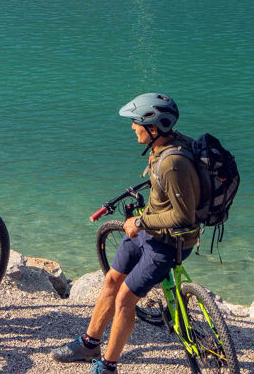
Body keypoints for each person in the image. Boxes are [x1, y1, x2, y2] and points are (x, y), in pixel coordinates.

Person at [52, 93, 201, 373]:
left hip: (169, 242)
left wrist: (141, 223)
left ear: (154, 128)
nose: (133, 127)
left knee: (125, 299)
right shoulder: (164, 146)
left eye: (136, 123)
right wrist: (142, 222)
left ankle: (108, 366)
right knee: (112, 280)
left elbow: (183, 216)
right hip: (149, 230)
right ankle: (89, 343)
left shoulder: (173, 162)